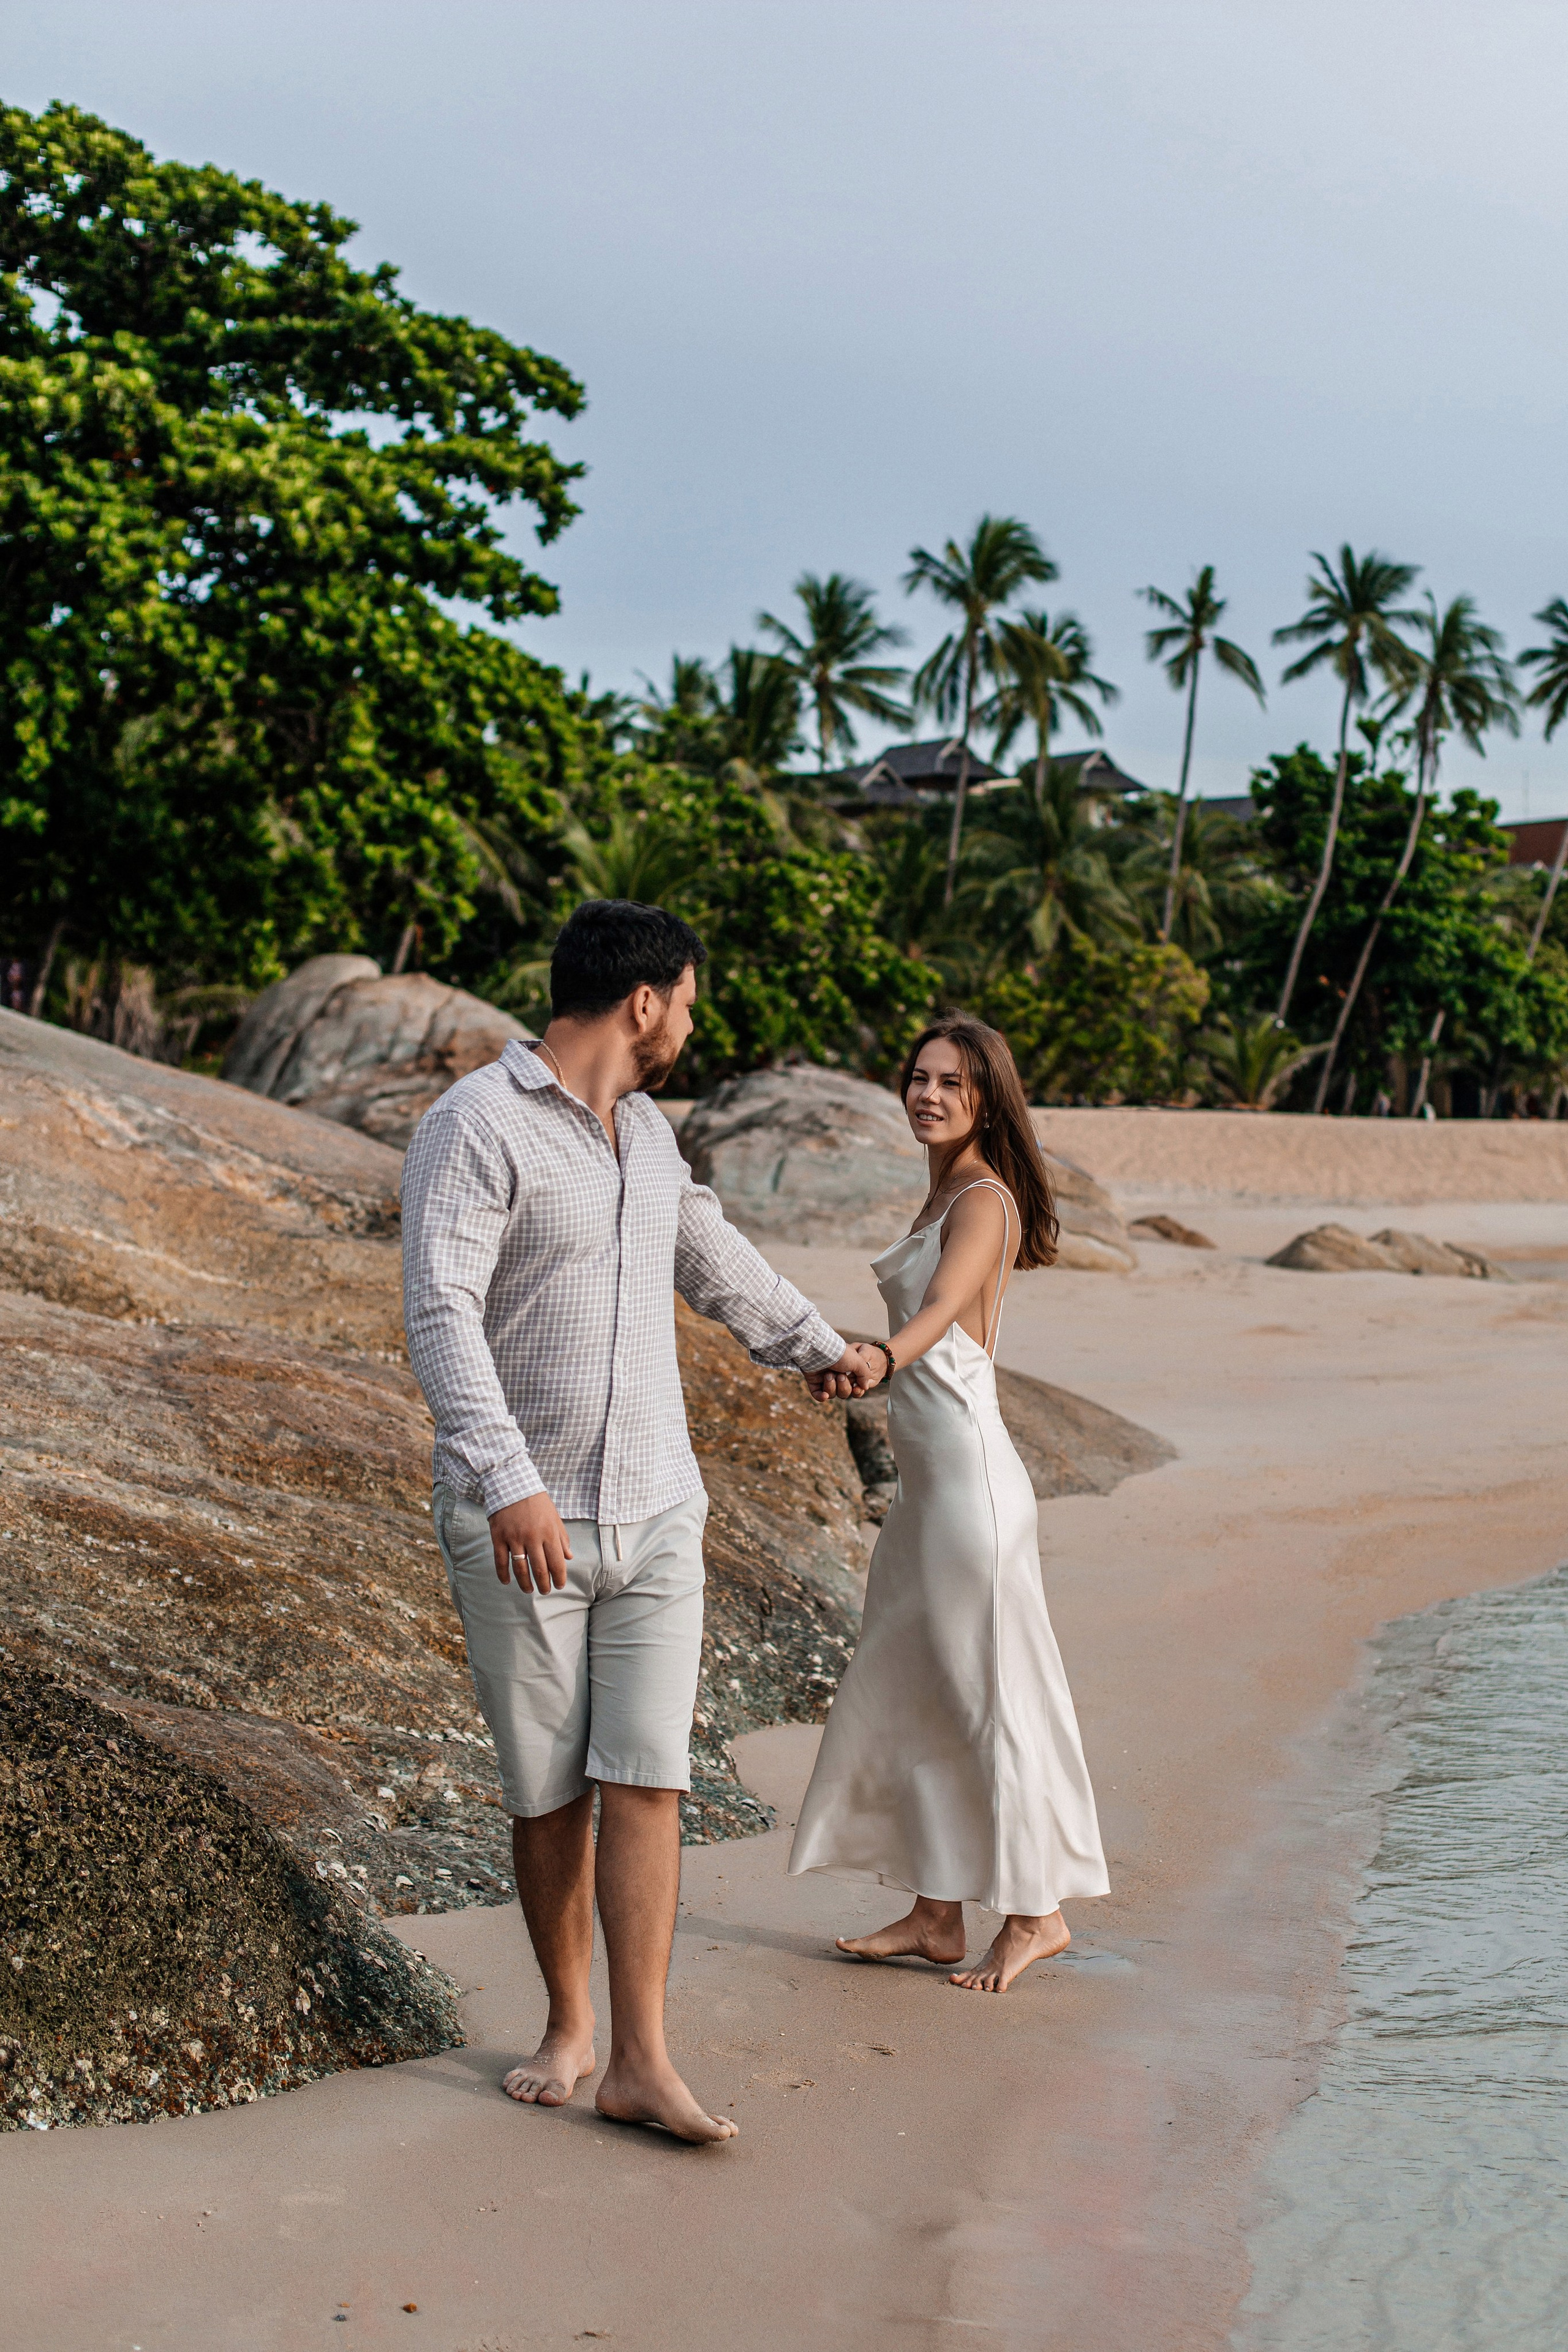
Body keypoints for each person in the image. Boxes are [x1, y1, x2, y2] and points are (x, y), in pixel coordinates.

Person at [401, 900, 883, 2144]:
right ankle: (569, 2025)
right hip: (528, 1519)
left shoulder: (649, 1136)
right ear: (646, 1000)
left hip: (660, 1510)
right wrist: (506, 1478)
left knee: (649, 1780)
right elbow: (441, 1312)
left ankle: (641, 2059)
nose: (689, 1023)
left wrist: (823, 1350)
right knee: (550, 1792)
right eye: (689, 1000)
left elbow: (715, 1262)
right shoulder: (474, 1127)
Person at [789, 1011, 1109, 1992]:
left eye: (952, 1085)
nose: (927, 1095)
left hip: (973, 1488)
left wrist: (878, 1357)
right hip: (933, 1490)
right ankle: (936, 1913)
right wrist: (849, 1362)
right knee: (919, 1686)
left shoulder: (984, 1200)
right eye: (919, 1076)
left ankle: (1036, 1912)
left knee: (987, 1693)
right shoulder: (940, 1190)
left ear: (986, 1100)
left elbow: (936, 1318)